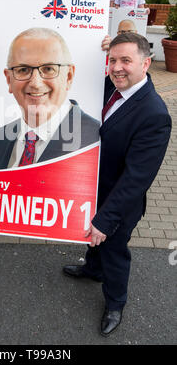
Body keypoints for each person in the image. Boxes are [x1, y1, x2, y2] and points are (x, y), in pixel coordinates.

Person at [63, 32, 171, 337]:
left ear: (146, 63)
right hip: (92, 190)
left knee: (113, 250)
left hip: (119, 203)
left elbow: (137, 178)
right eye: (113, 60)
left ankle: (115, 303)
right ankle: (92, 269)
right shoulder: (112, 86)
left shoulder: (154, 114)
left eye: (126, 60)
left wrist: (105, 219)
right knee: (94, 242)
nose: (117, 67)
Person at [0, 28, 99, 170]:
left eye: (49, 69)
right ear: (8, 79)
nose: (35, 83)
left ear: (68, 76)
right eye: (23, 70)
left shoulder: (97, 138)